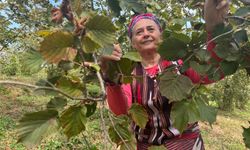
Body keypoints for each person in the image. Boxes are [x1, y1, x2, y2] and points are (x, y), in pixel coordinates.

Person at [101, 0, 230, 149]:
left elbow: (211, 73)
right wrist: (111, 75)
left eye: (150, 29)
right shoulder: (128, 71)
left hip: (186, 143)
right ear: (132, 43)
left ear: (160, 35)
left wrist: (214, 30)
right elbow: (121, 110)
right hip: (148, 146)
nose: (146, 34)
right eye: (139, 32)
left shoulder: (179, 63)